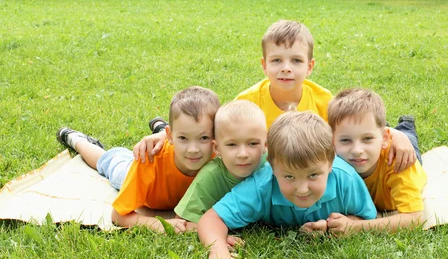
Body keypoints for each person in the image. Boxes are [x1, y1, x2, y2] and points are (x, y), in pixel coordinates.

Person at [134, 20, 418, 172]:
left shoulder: (322, 99)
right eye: (276, 60)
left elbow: (354, 127)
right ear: (263, 64)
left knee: (408, 154)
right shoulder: (246, 101)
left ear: (310, 66)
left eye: (295, 61)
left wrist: (398, 135)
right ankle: (159, 125)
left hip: (301, 169)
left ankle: (406, 127)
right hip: (274, 170)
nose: (285, 68)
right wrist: (164, 136)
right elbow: (210, 133)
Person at [197, 111, 377, 259]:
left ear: (330, 163)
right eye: (289, 177)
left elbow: (367, 218)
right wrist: (218, 252)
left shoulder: (345, 179)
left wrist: (341, 225)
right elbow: (212, 219)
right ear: (272, 167)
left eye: (313, 175)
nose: (302, 189)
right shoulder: (262, 185)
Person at [56, 86, 219, 233]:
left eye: (204, 137)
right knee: (109, 160)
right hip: (136, 178)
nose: (193, 149)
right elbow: (118, 216)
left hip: (167, 142)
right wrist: (160, 224)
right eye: (183, 137)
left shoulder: (220, 158)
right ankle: (76, 140)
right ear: (170, 136)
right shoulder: (149, 159)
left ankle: (161, 128)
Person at [325, 88, 427, 233]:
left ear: (385, 138)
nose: (357, 150)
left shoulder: (398, 164)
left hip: (403, 154)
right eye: (346, 140)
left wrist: (355, 227)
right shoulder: (331, 164)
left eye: (367, 138)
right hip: (380, 142)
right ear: (332, 140)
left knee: (408, 138)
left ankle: (407, 125)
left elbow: (414, 218)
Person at [174, 100, 268, 227]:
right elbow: (182, 221)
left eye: (253, 143)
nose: (243, 154)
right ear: (216, 148)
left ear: (265, 145)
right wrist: (216, 233)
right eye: (232, 144)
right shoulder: (210, 176)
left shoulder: (272, 164)